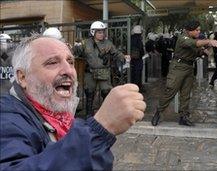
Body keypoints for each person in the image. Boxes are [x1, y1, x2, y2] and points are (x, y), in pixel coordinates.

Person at [0, 34, 146, 170]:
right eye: (52, 62)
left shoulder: (57, 113)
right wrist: (99, 129)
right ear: (23, 77)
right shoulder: (7, 120)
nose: (68, 70)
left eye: (70, 62)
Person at [151, 19, 217, 126]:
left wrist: (207, 49)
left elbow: (201, 51)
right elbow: (194, 43)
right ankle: (159, 112)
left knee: (186, 94)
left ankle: (184, 116)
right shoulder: (183, 38)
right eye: (196, 30)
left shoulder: (193, 39)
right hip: (178, 67)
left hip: (189, 68)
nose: (198, 32)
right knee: (171, 91)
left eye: (199, 30)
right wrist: (209, 41)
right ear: (189, 30)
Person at [75, 21, 130, 117]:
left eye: (103, 32)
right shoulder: (85, 43)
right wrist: (73, 47)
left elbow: (116, 52)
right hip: (90, 72)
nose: (102, 34)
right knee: (89, 93)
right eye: (99, 32)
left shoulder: (108, 43)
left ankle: (108, 115)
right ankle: (89, 116)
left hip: (104, 72)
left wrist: (123, 57)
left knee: (106, 92)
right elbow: (76, 52)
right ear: (93, 32)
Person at [130, 25, 145, 92]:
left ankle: (132, 88)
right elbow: (141, 50)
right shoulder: (139, 39)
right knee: (137, 74)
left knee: (132, 74)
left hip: (131, 59)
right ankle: (136, 89)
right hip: (138, 60)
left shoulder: (130, 38)